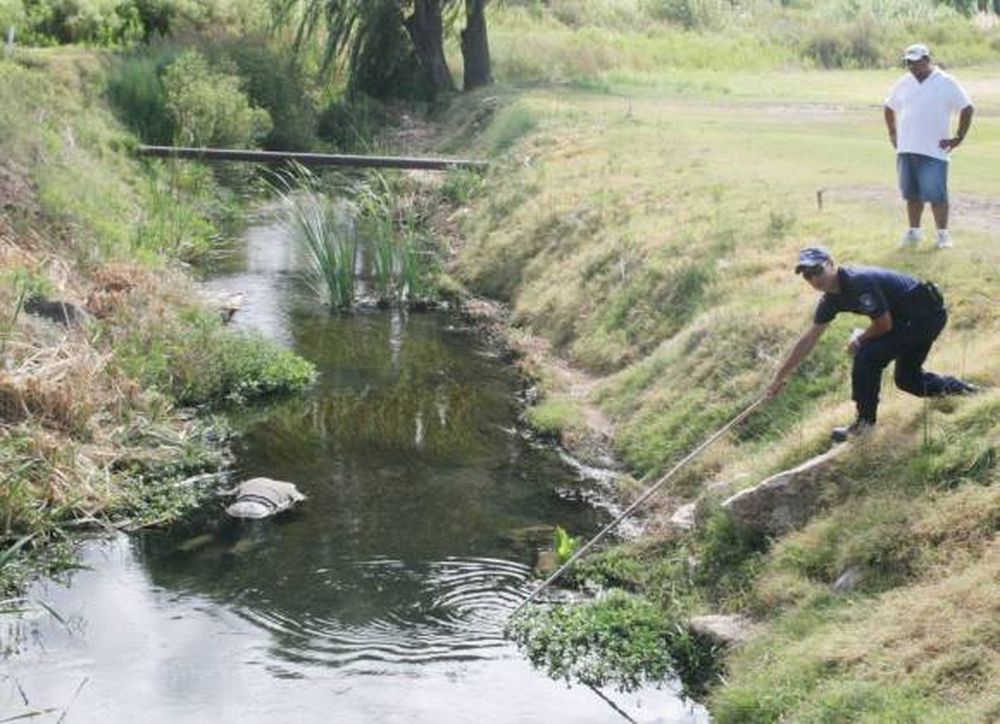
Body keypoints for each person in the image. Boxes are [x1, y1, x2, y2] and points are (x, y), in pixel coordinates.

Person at [766, 247, 977, 441]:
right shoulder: (830, 299)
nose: (813, 278)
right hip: (912, 319)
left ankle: (864, 425)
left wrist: (859, 339)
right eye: (807, 275)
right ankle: (968, 391)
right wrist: (779, 377)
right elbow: (810, 338)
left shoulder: (858, 282)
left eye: (817, 270)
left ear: (831, 263)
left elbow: (884, 325)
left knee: (867, 355)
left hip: (924, 315)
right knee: (907, 380)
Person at [884, 43, 974, 250]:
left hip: (934, 150)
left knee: (936, 195)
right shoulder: (904, 82)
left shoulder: (946, 82)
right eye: (909, 63)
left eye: (916, 62)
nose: (913, 67)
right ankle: (914, 232)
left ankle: (943, 236)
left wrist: (959, 137)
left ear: (927, 60)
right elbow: (889, 107)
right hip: (907, 148)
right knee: (912, 194)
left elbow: (967, 108)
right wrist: (892, 132)